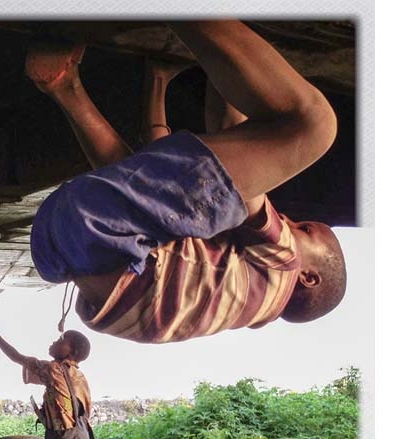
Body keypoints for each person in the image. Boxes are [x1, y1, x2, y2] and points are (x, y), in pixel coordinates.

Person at [27, 21, 346, 344]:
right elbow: (158, 180)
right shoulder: (229, 293)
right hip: (61, 244)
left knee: (315, 125)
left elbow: (230, 149)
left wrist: (231, 52)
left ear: (308, 277)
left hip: (103, 242)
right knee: (148, 193)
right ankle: (65, 85)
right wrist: (158, 79)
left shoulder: (284, 266)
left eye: (306, 229)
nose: (289, 220)